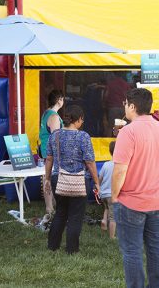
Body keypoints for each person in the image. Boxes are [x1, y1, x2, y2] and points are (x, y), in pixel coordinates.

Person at [111, 88, 159, 288]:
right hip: (156, 199)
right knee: (155, 248)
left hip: (131, 200)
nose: (124, 107)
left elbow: (119, 170)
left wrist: (114, 196)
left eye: (125, 104)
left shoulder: (128, 131)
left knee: (132, 251)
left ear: (132, 106)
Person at [45, 105, 100, 254]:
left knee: (61, 212)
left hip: (58, 178)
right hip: (79, 181)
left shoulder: (54, 135)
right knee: (76, 216)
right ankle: (72, 249)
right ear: (79, 119)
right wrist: (96, 181)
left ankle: (52, 246)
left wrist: (47, 179)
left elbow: (49, 159)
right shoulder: (83, 136)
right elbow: (89, 161)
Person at [39, 89, 64, 216]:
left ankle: (51, 205)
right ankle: (49, 208)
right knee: (48, 178)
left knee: (47, 178)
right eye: (62, 99)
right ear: (59, 100)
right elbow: (56, 138)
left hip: (46, 150)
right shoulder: (54, 116)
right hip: (52, 153)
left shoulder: (46, 113)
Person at [104, 72, 130, 137]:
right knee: (124, 127)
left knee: (110, 127)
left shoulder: (111, 84)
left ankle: (108, 142)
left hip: (113, 109)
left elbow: (106, 96)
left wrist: (105, 104)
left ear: (114, 75)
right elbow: (129, 96)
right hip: (124, 108)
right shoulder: (126, 84)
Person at [99, 141, 116, 239]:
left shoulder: (106, 164)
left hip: (104, 194)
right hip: (112, 194)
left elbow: (100, 178)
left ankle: (104, 221)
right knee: (113, 217)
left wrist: (98, 188)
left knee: (107, 208)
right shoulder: (119, 165)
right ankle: (112, 236)